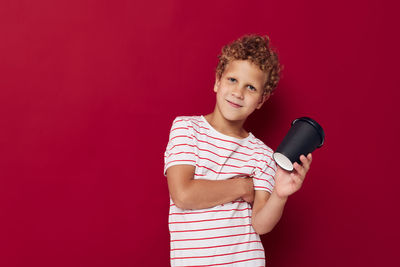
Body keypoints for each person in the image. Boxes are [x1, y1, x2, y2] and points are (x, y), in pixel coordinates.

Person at [163, 34, 312, 266]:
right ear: (217, 81)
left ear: (261, 100)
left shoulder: (262, 155)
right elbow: (183, 195)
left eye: (250, 87)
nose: (238, 92)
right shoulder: (187, 129)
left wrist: (280, 195)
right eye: (232, 80)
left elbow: (261, 224)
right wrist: (243, 186)